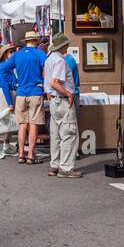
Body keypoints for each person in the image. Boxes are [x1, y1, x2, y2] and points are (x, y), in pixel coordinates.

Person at [44, 34, 81, 178]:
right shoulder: (60, 60)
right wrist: (69, 94)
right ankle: (65, 167)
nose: (68, 46)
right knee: (69, 133)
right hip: (62, 100)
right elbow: (55, 82)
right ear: (63, 46)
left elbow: (49, 83)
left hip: (54, 100)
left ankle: (55, 164)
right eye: (67, 44)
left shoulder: (49, 59)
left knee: (56, 134)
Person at [12, 30, 47, 165]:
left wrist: (15, 82)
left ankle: (21, 154)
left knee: (22, 125)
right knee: (34, 124)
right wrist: (42, 83)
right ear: (36, 41)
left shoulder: (17, 54)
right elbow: (48, 68)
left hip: (21, 92)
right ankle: (31, 155)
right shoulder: (39, 53)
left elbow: (4, 69)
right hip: (35, 91)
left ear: (26, 42)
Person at [0, 44, 19, 159]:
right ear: (5, 55)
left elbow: (12, 82)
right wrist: (10, 102)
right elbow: (4, 86)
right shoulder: (3, 67)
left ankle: (6, 146)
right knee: (2, 120)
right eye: (10, 52)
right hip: (5, 94)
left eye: (13, 51)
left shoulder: (8, 68)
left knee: (9, 121)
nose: (13, 54)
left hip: (9, 93)